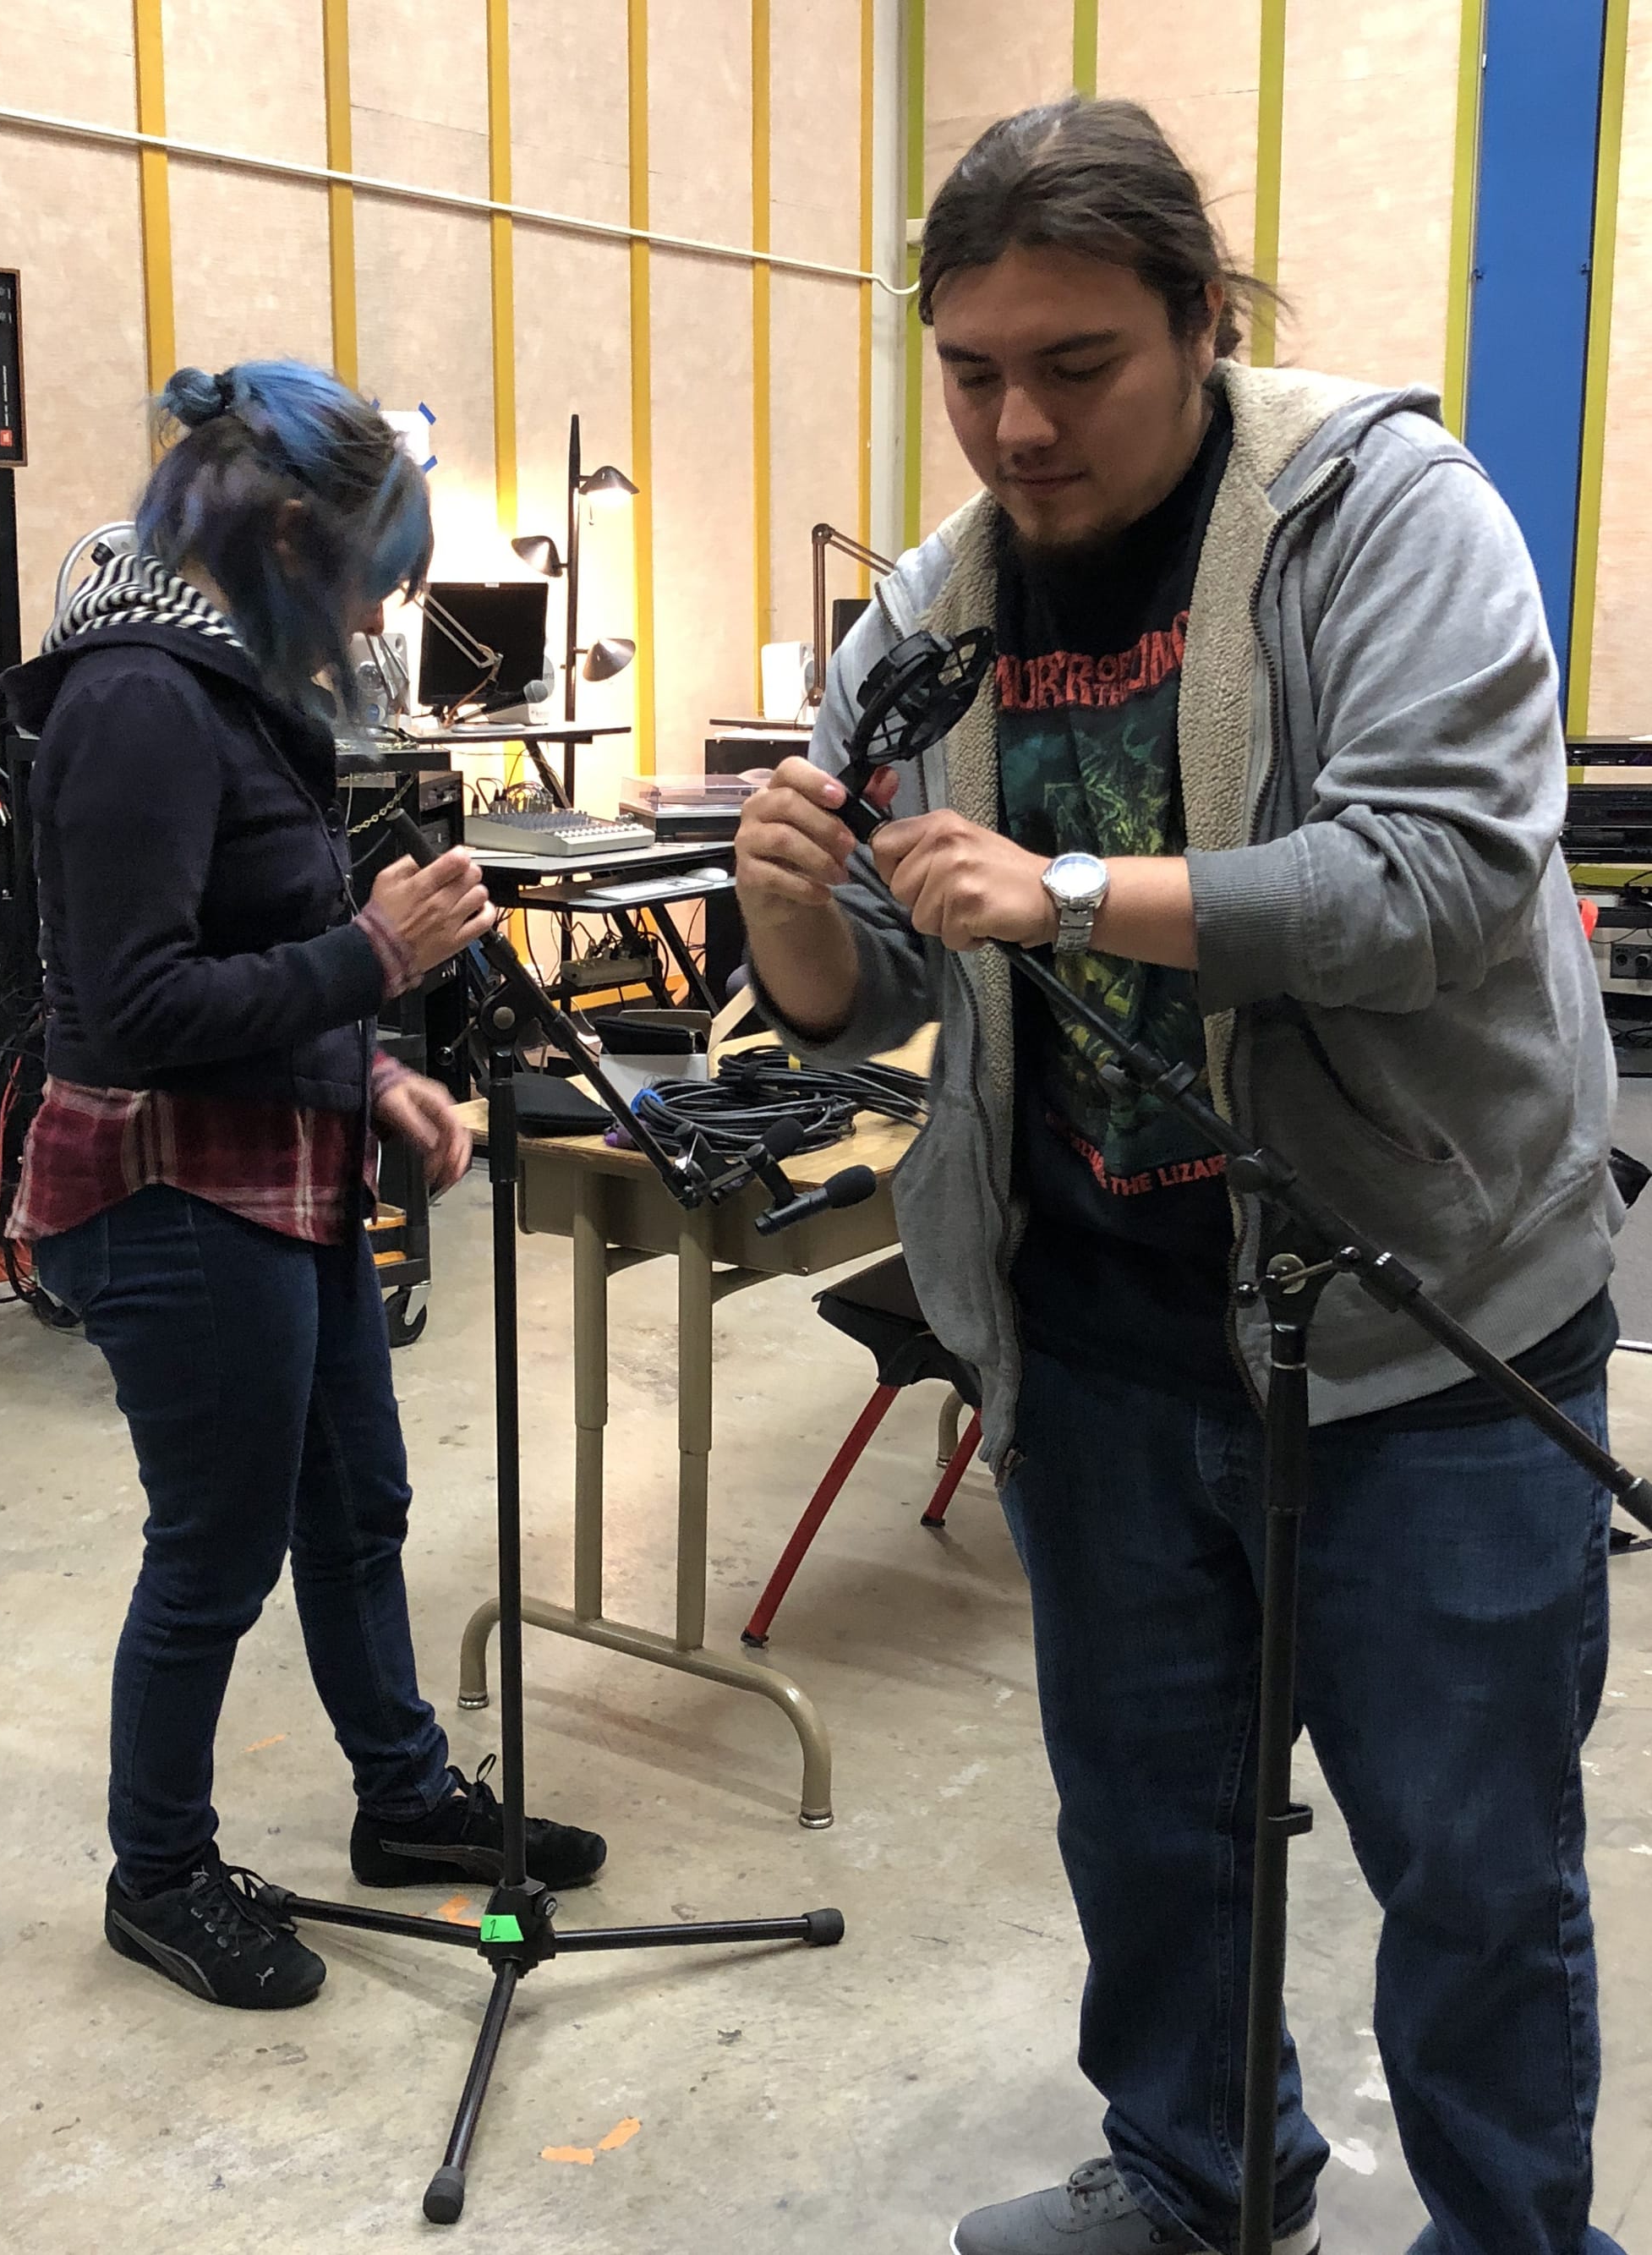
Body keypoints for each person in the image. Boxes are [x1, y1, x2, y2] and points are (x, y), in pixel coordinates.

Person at [735, 96, 1625, 2255]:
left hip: (1421, 1322)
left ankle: (1508, 2231)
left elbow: (1430, 878)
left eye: (1075, 365)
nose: (1015, 427)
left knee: (1471, 1862)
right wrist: (791, 914)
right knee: (1150, 1825)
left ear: (1200, 321)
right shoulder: (926, 612)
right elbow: (861, 999)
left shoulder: (1381, 512)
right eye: (969, 371)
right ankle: (1202, 2175)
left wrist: (1057, 881)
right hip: (1101, 1335)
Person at [8, 361, 606, 2014]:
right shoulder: (140, 696)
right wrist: (377, 951)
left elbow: (253, 958)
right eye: (368, 581)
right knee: (213, 1552)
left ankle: (402, 1792)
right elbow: (133, 1011)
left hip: (287, 1161)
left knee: (359, 1507)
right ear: (284, 534)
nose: (370, 622)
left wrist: (384, 1064)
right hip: (173, 1196)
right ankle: (162, 1872)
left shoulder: (224, 685)